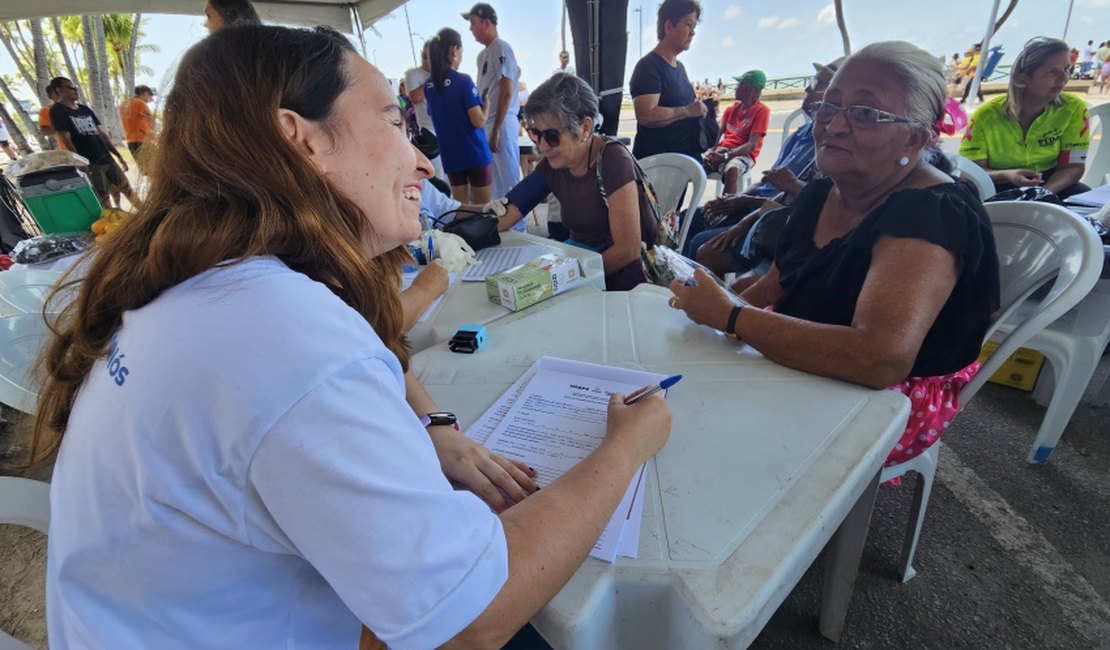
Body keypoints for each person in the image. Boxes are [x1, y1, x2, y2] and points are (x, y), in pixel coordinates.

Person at [36, 25, 672, 649]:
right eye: (396, 123)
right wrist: (624, 449)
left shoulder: (214, 286)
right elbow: (471, 619)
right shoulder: (284, 335)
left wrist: (432, 428)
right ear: (301, 138)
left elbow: (343, 363)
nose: (423, 158)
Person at [668, 41, 1000, 471]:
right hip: (813, 352)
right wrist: (710, 311)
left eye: (864, 113)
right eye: (828, 108)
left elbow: (880, 358)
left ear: (916, 137)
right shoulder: (821, 194)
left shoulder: (931, 211)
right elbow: (773, 286)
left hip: (895, 396)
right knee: (683, 389)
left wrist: (730, 319)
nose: (833, 126)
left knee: (713, 431)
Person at [488, 73, 660, 291]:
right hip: (584, 266)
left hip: (623, 280)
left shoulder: (613, 160)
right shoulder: (555, 164)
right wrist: (450, 217)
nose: (542, 146)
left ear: (585, 127)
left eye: (551, 136)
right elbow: (505, 213)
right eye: (535, 134)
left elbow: (628, 251)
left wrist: (566, 280)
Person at [685, 58, 843, 286]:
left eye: (816, 84)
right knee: (691, 220)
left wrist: (744, 207)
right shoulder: (801, 134)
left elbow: (802, 202)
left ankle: (707, 301)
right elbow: (769, 183)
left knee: (703, 247)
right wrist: (736, 199)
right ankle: (688, 289)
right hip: (758, 205)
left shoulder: (833, 144)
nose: (807, 89)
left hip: (775, 218)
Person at [961, 37, 1090, 200]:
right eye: (1052, 72)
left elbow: (1073, 167)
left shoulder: (1074, 109)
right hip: (996, 185)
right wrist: (1007, 175)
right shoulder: (986, 115)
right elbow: (969, 174)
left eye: (1066, 69)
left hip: (1051, 183)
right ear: (1021, 78)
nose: (1063, 78)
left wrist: (1041, 195)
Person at [424, 27, 493, 205]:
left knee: (462, 208)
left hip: (451, 154)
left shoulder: (429, 86)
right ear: (454, 50)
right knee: (482, 209)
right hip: (474, 151)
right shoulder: (463, 81)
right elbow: (478, 121)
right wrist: (486, 106)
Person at [629, 0, 705, 159]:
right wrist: (688, 111)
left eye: (694, 27)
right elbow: (646, 115)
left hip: (681, 163)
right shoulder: (648, 66)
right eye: (688, 25)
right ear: (669, 26)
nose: (693, 33)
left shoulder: (680, 68)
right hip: (657, 166)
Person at [463, 3, 522, 208]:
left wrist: (497, 129)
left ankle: (518, 227)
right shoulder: (483, 55)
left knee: (509, 180)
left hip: (502, 121)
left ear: (486, 23)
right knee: (495, 182)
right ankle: (503, 227)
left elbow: (506, 90)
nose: (470, 29)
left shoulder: (501, 47)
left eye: (473, 23)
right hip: (488, 122)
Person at [48, 76, 137, 208]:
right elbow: (65, 138)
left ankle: (147, 214)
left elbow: (101, 134)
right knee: (103, 196)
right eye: (70, 87)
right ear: (59, 90)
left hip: (106, 157)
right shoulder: (58, 110)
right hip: (91, 162)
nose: (75, 89)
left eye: (75, 87)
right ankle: (112, 223)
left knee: (126, 188)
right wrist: (80, 162)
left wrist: (118, 155)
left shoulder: (85, 109)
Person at [700, 69, 769, 195]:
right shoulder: (731, 109)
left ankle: (725, 211)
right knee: (694, 166)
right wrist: (710, 152)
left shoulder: (761, 111)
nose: (736, 88)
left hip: (744, 155)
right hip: (723, 151)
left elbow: (751, 145)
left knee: (732, 169)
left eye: (740, 85)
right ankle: (673, 211)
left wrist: (725, 157)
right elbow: (717, 135)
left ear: (750, 89)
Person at [403, 41, 445, 180]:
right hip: (429, 131)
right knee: (436, 174)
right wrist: (433, 78)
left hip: (448, 130)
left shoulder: (445, 74)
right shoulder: (413, 74)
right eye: (426, 56)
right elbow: (415, 97)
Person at [119, 84, 155, 172]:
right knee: (155, 168)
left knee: (145, 170)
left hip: (131, 142)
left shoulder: (123, 104)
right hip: (143, 140)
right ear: (144, 93)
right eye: (149, 96)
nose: (148, 100)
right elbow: (151, 119)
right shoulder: (140, 103)